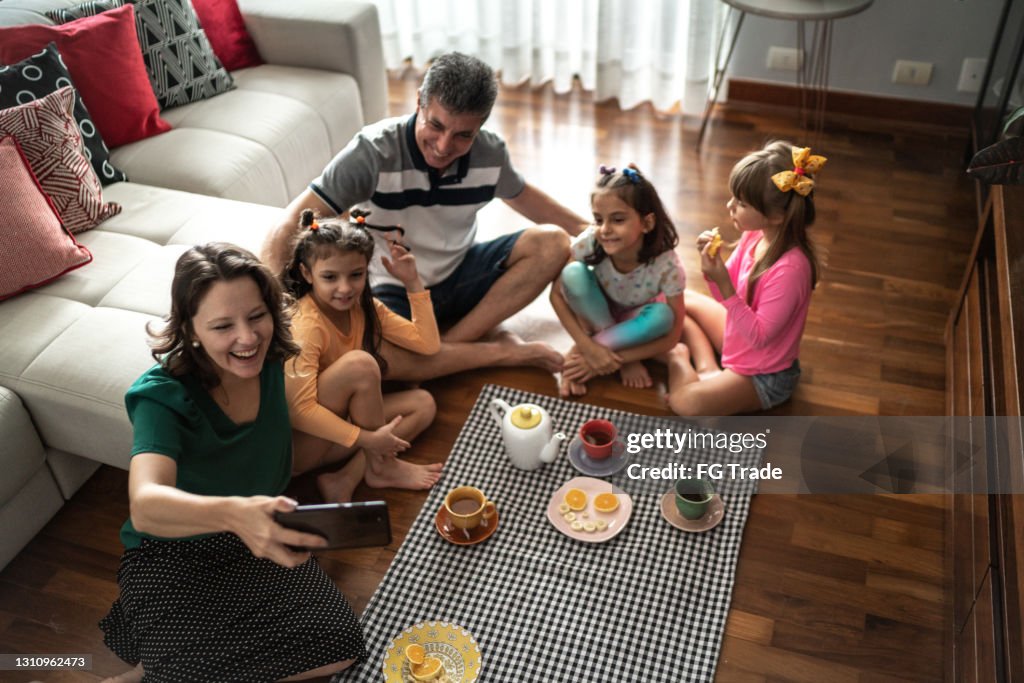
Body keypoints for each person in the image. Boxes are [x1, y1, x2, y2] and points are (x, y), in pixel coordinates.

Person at [99, 244, 364, 683]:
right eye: (223, 326)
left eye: (257, 316)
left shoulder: (274, 358)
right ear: (191, 329)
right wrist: (234, 513)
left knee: (342, 646)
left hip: (255, 533)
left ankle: (167, 668)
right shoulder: (161, 396)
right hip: (172, 551)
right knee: (178, 672)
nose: (248, 338)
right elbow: (145, 504)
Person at [261, 52, 588, 381]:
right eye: (436, 125)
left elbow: (528, 199)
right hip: (393, 287)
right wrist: (269, 303)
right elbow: (290, 223)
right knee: (373, 359)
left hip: (461, 274)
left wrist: (591, 229)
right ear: (419, 102)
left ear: (482, 124)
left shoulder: (491, 154)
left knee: (552, 244)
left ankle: (443, 351)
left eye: (464, 135)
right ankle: (500, 351)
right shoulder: (372, 152)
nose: (444, 146)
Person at [283, 209, 443, 496]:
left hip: (340, 431)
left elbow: (428, 344)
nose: (345, 288)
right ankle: (382, 464)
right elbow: (299, 412)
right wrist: (366, 438)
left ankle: (347, 478)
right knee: (360, 365)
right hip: (301, 448)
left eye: (355, 275)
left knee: (423, 404)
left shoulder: (365, 308)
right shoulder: (306, 325)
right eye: (330, 277)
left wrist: (412, 282)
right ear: (307, 273)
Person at [665, 141, 825, 415]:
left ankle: (677, 357)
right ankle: (708, 368)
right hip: (740, 337)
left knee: (685, 404)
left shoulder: (792, 270)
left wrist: (724, 285)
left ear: (777, 215)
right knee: (683, 298)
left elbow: (760, 336)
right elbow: (725, 294)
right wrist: (711, 267)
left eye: (741, 203)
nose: (730, 206)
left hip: (764, 374)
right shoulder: (754, 236)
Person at [550, 164, 687, 398]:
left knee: (663, 316)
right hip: (595, 314)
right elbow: (556, 295)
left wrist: (598, 359)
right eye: (598, 219)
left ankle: (579, 362)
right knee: (572, 273)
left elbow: (672, 337)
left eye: (617, 219)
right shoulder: (590, 241)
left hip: (635, 322)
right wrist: (586, 346)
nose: (604, 229)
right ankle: (599, 345)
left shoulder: (667, 266)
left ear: (647, 223)